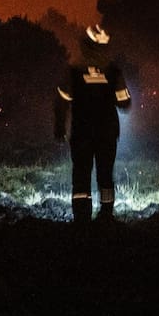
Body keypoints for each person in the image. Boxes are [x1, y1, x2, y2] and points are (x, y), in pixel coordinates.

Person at [54, 24, 131, 223]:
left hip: (81, 132)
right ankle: (106, 215)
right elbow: (124, 102)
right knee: (105, 175)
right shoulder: (113, 71)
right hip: (107, 132)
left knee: (81, 175)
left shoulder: (73, 71)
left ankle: (81, 217)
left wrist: (59, 127)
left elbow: (62, 100)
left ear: (84, 46)